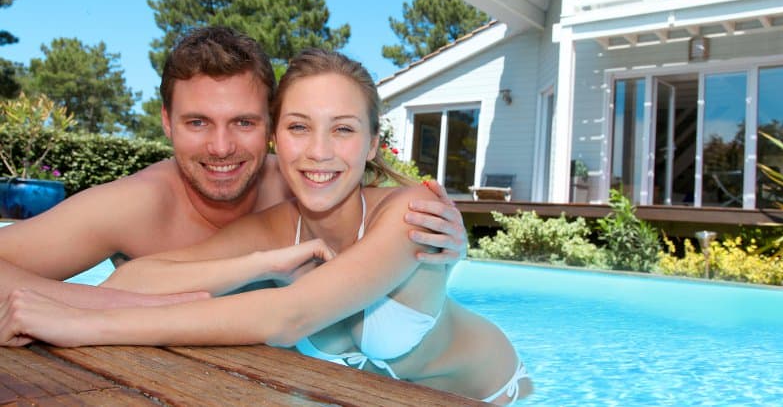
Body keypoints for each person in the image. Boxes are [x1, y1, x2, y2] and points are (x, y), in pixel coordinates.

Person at [0, 49, 532, 405]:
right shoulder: (275, 229)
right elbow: (129, 283)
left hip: (494, 396)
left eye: (343, 130)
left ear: (372, 144)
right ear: (278, 137)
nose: (319, 151)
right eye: (299, 127)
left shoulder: (411, 212)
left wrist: (80, 325)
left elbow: (287, 316)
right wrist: (256, 263)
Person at [0, 26, 466, 306]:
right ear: (166, 122)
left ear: (272, 126)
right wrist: (92, 303)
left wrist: (447, 250)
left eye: (243, 122)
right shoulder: (135, 206)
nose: (221, 147)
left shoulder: (307, 185)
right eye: (197, 121)